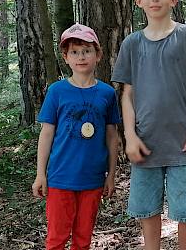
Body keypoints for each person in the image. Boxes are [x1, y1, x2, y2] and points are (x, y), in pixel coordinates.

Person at [111, 0, 186, 250]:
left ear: (173, 0)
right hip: (145, 143)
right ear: (138, 0)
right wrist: (129, 136)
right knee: (147, 210)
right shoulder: (132, 44)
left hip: (185, 143)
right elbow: (127, 95)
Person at [32, 23, 121, 250]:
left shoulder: (107, 93)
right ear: (66, 57)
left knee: (83, 239)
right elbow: (47, 133)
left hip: (92, 178)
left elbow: (112, 136)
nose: (81, 57)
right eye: (74, 52)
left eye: (86, 51)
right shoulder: (57, 91)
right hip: (61, 177)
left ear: (97, 55)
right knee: (56, 239)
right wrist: (40, 174)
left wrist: (111, 174)